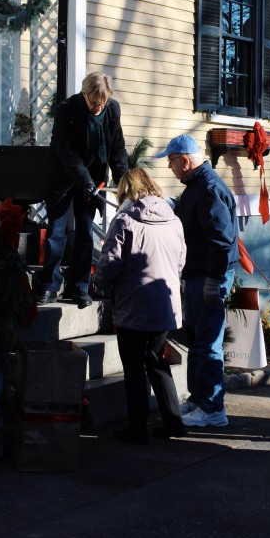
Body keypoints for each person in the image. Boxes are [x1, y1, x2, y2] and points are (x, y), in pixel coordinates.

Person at [92, 168, 186, 444]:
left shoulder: (125, 220)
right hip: (165, 302)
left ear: (127, 190)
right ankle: (174, 421)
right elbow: (180, 260)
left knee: (133, 366)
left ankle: (137, 428)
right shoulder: (173, 220)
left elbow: (110, 263)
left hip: (134, 303)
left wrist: (98, 283)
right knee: (157, 361)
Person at [155, 134, 239, 428]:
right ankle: (199, 398)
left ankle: (213, 408)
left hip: (208, 274)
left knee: (208, 342)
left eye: (171, 161)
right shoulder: (198, 186)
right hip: (199, 273)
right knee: (199, 340)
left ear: (185, 161)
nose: (169, 167)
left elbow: (220, 240)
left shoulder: (208, 189)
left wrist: (213, 280)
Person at [35, 73, 128, 308]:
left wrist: (125, 183)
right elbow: (66, 152)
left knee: (86, 233)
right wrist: (83, 179)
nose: (98, 107)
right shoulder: (66, 110)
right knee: (56, 233)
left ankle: (80, 287)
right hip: (63, 177)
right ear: (84, 94)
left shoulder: (112, 110)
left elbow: (117, 149)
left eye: (102, 103)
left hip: (93, 181)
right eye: (94, 102)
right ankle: (50, 286)